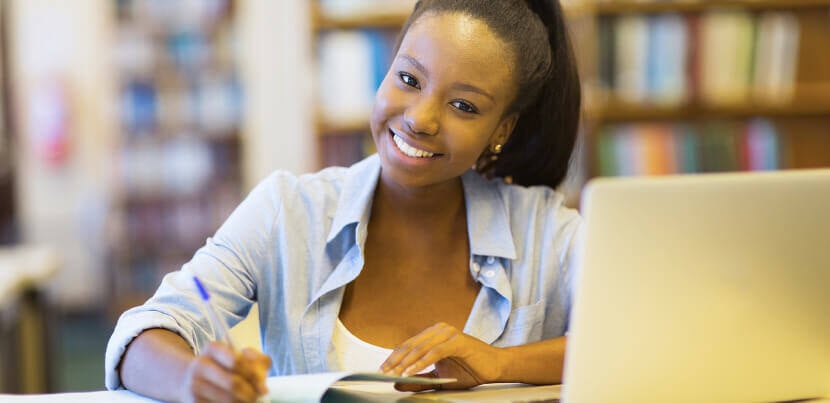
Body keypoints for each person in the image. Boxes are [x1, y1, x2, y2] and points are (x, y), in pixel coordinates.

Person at [105, 0, 583, 401]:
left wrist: (500, 363)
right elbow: (145, 332)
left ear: (502, 129)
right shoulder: (287, 210)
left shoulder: (547, 231)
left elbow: (640, 342)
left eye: (464, 106)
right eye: (409, 79)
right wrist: (193, 380)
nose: (421, 119)